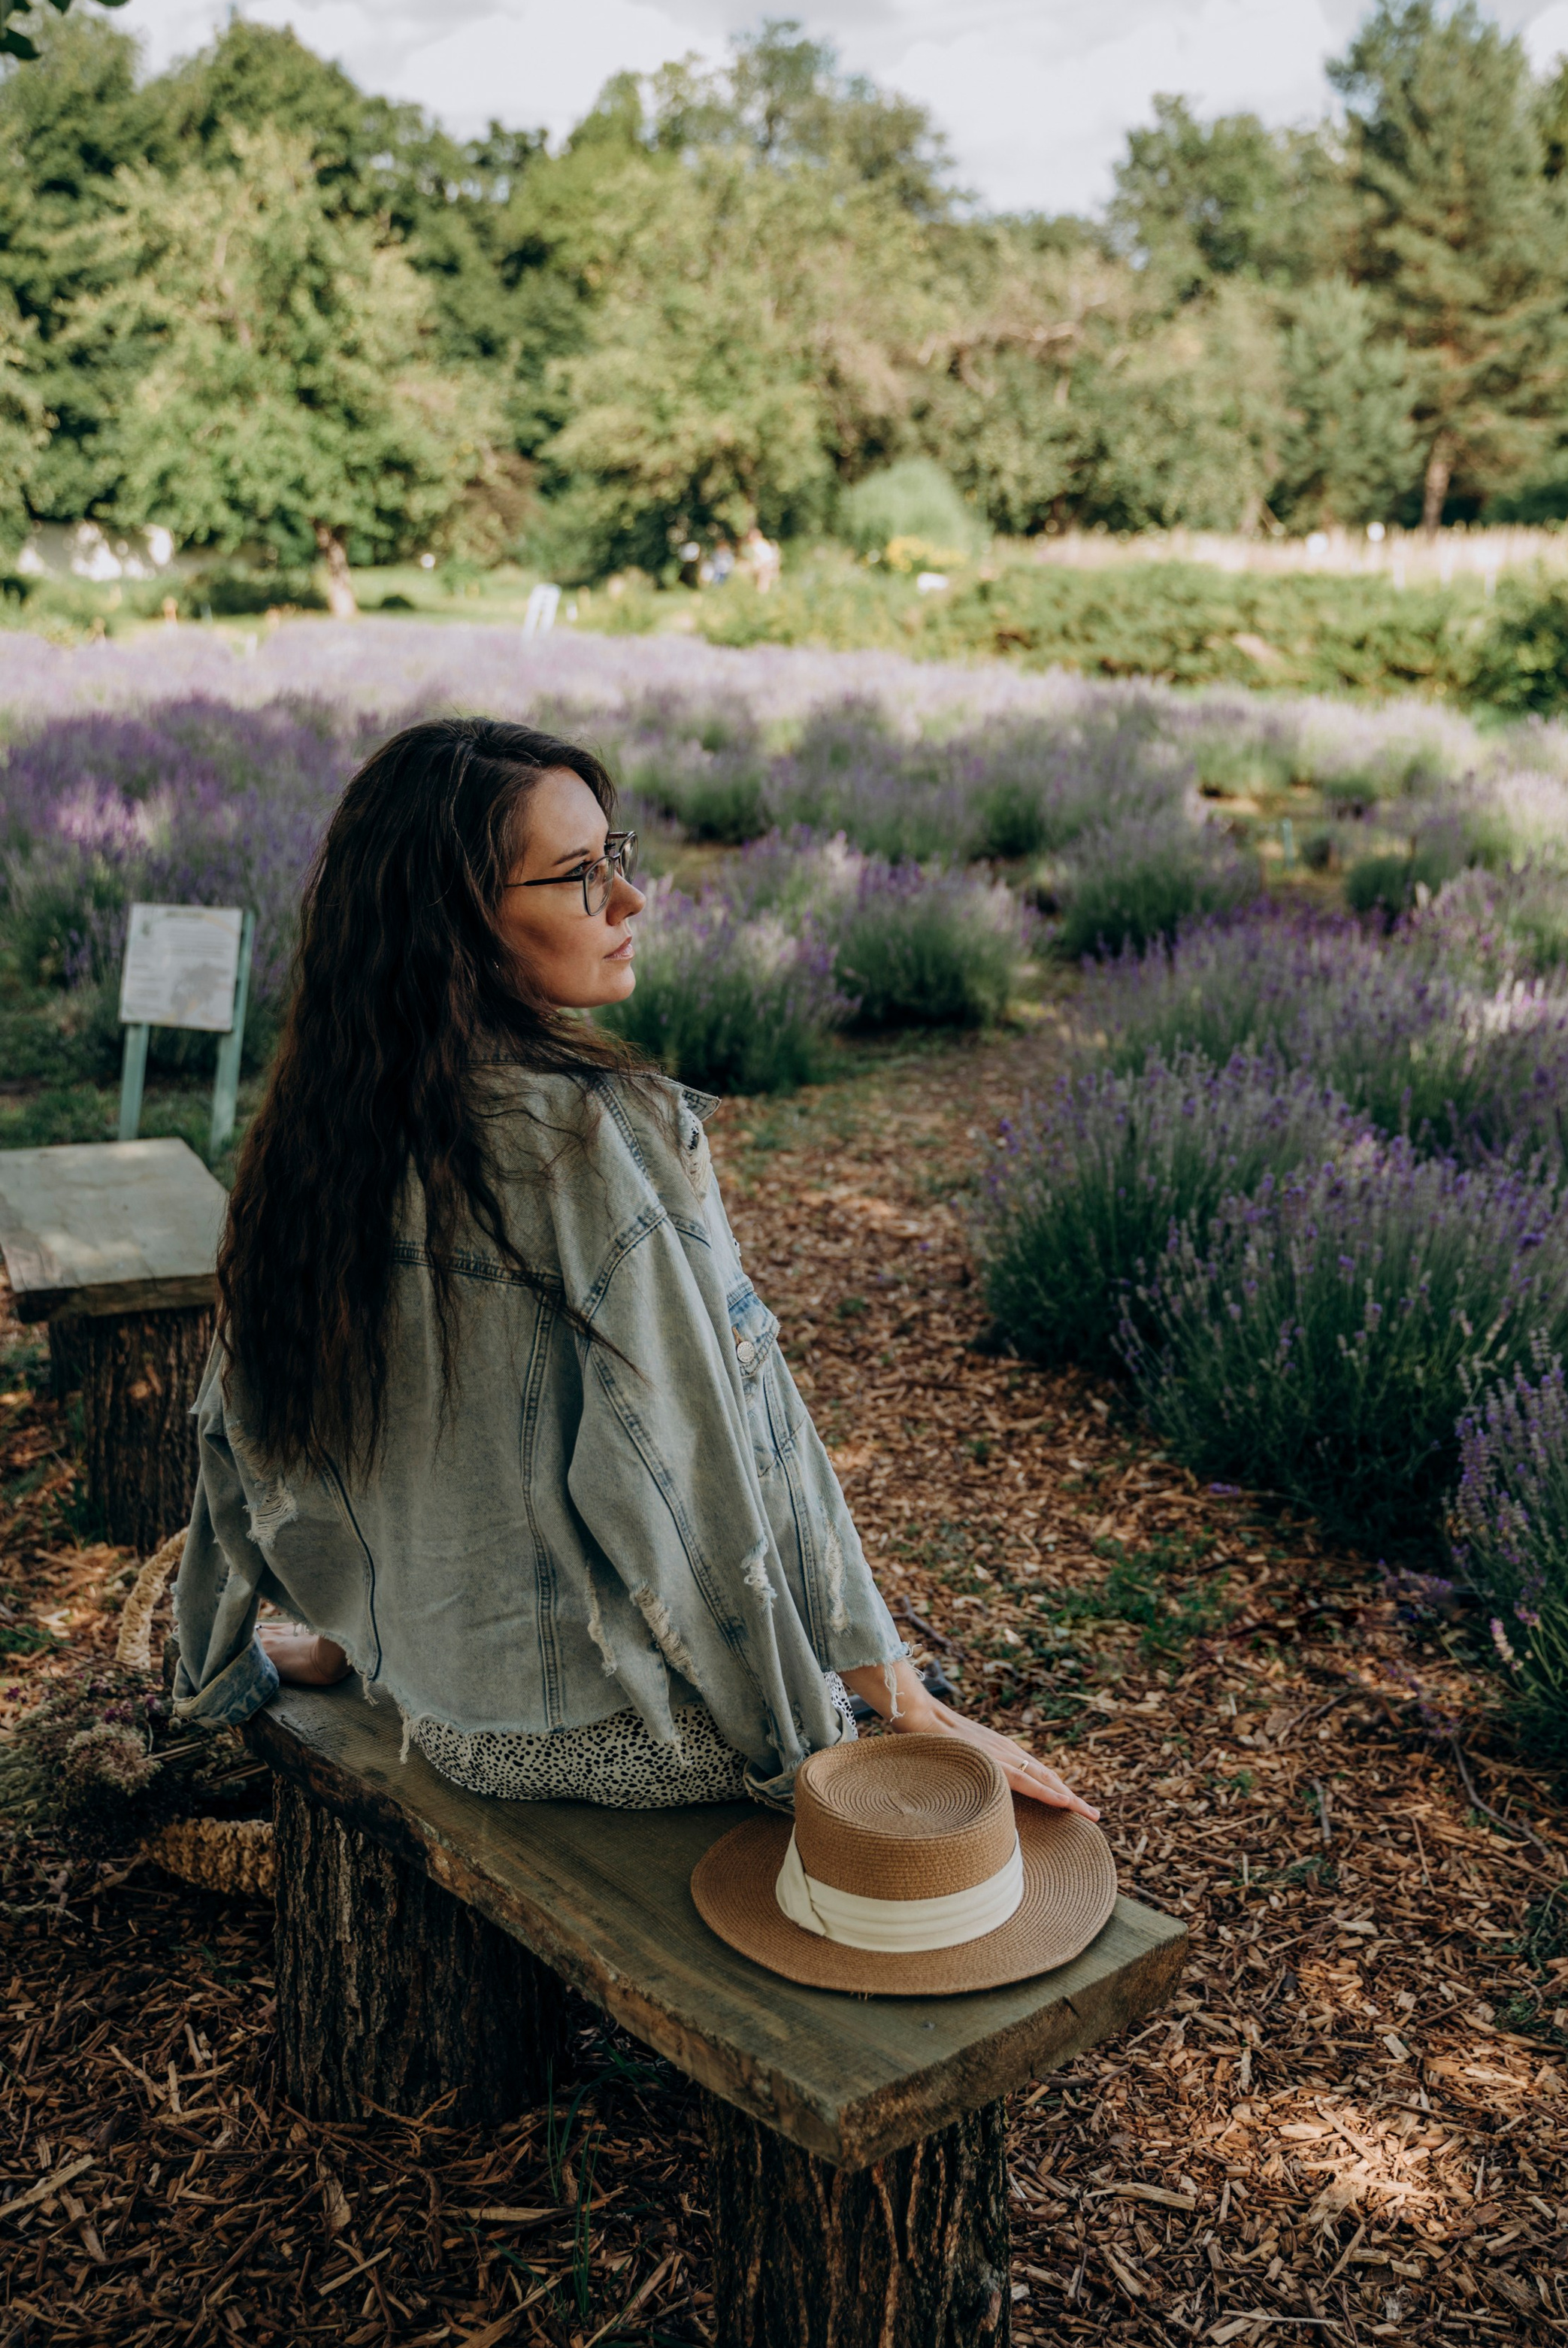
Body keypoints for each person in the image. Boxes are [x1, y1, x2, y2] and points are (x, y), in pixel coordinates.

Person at [174, 714, 1092, 1827]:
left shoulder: (322, 1123)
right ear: (455, 925)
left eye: (619, 856)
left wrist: (251, 1654)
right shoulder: (592, 1140)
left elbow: (243, 1429)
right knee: (915, 1724)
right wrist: (862, 1722)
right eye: (576, 877)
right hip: (602, 1734)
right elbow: (707, 1465)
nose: (629, 901)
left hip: (428, 1679)